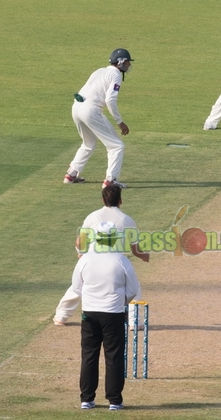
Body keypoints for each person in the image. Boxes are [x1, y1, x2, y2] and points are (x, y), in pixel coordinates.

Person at [71, 191, 141, 411]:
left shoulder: (85, 260)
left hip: (90, 313)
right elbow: (133, 290)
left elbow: (76, 287)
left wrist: (91, 298)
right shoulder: (121, 260)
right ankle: (114, 400)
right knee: (114, 357)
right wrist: (119, 302)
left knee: (89, 355)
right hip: (113, 314)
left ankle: (87, 399)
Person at [53, 185, 148, 328]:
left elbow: (80, 241)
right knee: (134, 287)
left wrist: (81, 253)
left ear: (103, 200)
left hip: (90, 259)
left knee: (79, 285)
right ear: (120, 200)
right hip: (114, 262)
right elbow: (136, 250)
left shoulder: (92, 216)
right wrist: (145, 256)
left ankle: (61, 316)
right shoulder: (127, 220)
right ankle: (134, 322)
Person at [64, 48, 135, 188]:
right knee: (117, 146)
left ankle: (71, 174)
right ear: (120, 62)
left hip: (76, 107)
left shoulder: (99, 71)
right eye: (126, 62)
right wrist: (120, 122)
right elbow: (110, 100)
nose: (128, 65)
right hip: (90, 110)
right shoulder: (116, 75)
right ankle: (110, 181)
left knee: (88, 143)